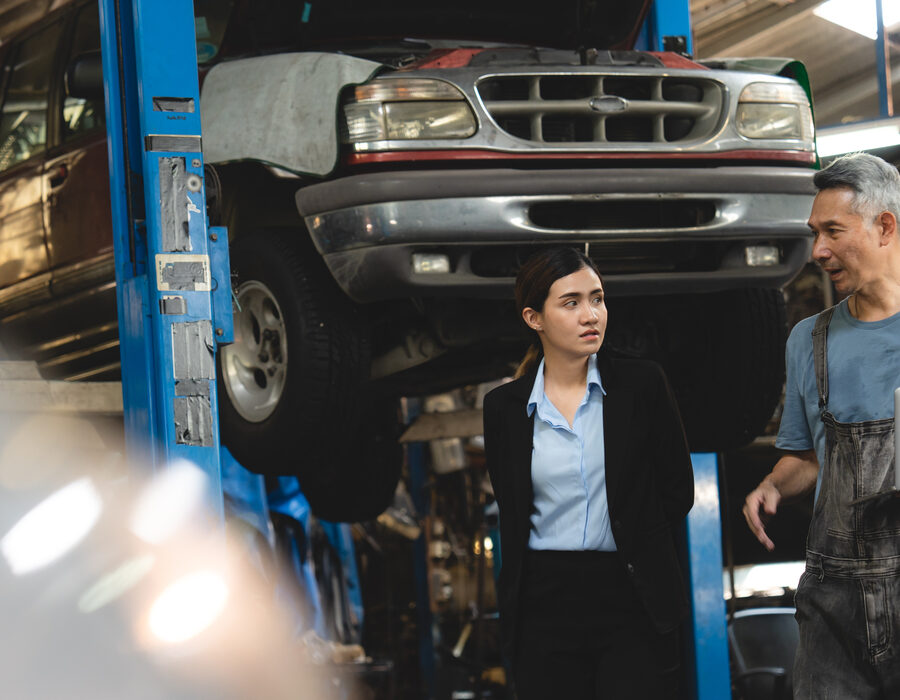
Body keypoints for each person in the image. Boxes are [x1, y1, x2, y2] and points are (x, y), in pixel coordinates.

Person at [482, 247, 694, 699]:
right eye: (571, 302)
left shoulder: (642, 385)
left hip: (633, 596)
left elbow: (678, 489)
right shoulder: (503, 408)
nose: (591, 315)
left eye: (597, 298)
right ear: (533, 318)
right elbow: (513, 505)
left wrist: (637, 538)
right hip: (543, 604)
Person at [743, 152, 900, 697]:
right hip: (835, 602)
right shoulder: (808, 340)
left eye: (833, 231)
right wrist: (771, 485)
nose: (818, 252)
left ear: (885, 227)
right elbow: (810, 456)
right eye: (814, 234)